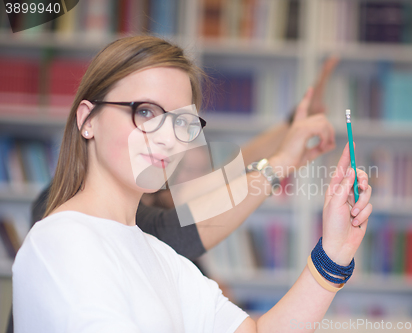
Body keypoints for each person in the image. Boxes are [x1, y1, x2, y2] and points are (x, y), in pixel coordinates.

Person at [12, 36, 372, 332]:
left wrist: (334, 253)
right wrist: (282, 160)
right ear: (87, 119)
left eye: (181, 123)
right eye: (146, 112)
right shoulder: (61, 241)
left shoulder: (163, 258)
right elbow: (191, 216)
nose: (167, 139)